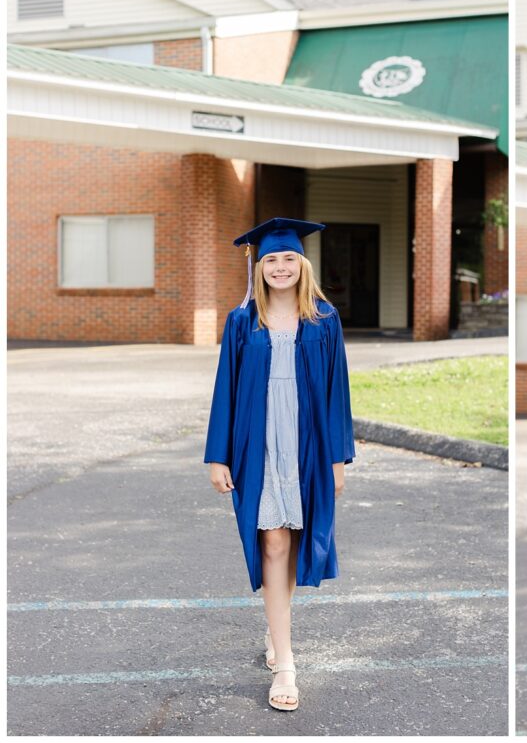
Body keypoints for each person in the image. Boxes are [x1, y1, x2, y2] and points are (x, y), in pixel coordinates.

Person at [205, 218, 356, 712]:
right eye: (270, 259)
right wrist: (217, 455)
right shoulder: (241, 322)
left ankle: (277, 628)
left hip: (307, 441)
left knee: (292, 539)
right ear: (259, 266)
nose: (280, 267)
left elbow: (338, 394)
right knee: (271, 537)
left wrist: (339, 457)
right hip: (258, 444)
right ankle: (286, 662)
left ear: (303, 264)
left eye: (288, 258)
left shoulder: (325, 320)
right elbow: (225, 388)